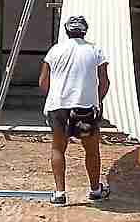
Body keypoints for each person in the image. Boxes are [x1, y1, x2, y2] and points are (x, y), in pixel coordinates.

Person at [39, 15, 111, 207]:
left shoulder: (55, 50)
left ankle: (60, 194)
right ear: (84, 31)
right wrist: (97, 100)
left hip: (59, 108)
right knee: (91, 150)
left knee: (58, 149)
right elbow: (104, 82)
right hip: (85, 108)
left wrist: (54, 98)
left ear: (67, 31)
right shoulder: (95, 50)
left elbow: (43, 82)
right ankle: (96, 190)